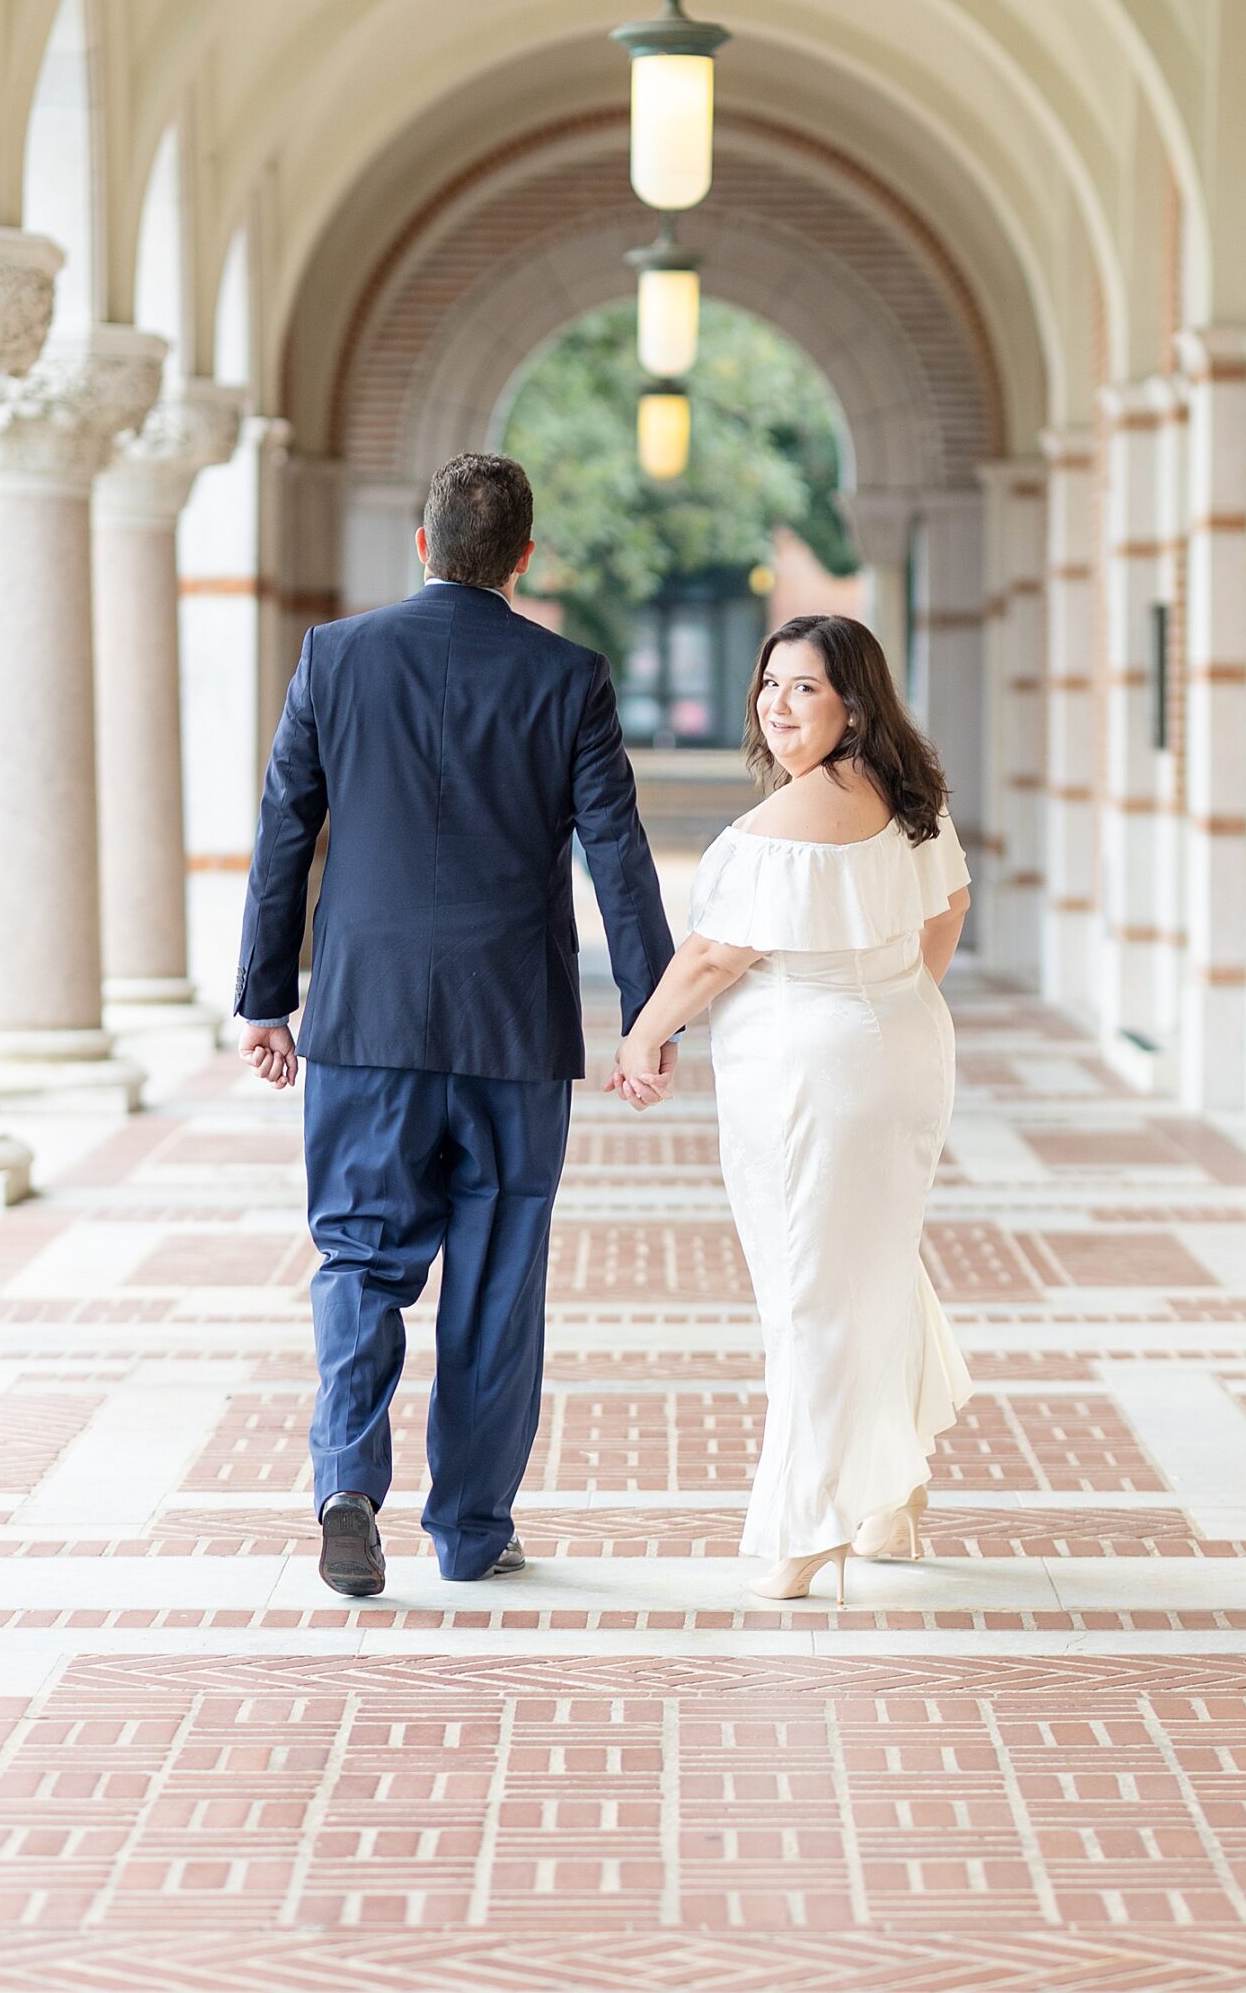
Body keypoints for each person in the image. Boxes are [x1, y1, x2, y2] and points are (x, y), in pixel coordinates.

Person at [235, 453, 676, 1599]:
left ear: (423, 545)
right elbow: (616, 855)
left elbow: (287, 829)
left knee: (359, 1257)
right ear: (524, 560)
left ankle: (345, 1480)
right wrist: (651, 1012)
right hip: (513, 1028)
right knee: (496, 1275)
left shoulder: (336, 656)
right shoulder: (567, 675)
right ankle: (472, 1530)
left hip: (365, 1019)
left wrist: (263, 996)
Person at [613, 614, 972, 1603]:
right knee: (877, 1266)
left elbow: (718, 955)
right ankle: (891, 1499)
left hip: (808, 1076)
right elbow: (948, 908)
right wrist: (896, 998)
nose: (778, 704)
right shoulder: (913, 797)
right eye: (771, 684)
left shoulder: (776, 828)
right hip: (899, 1050)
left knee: (809, 1288)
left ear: (853, 702)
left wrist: (644, 1034)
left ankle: (810, 1523)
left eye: (805, 687)